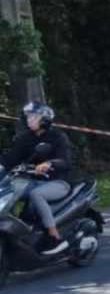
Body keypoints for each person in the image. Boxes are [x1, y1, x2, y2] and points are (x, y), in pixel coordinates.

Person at [1, 103, 74, 255]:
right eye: (28, 117)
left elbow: (66, 161)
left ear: (45, 119)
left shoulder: (58, 137)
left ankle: (54, 236)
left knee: (37, 194)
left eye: (34, 117)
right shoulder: (24, 138)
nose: (29, 120)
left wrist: (49, 163)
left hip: (58, 182)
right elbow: (10, 160)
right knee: (11, 189)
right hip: (32, 181)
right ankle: (18, 233)